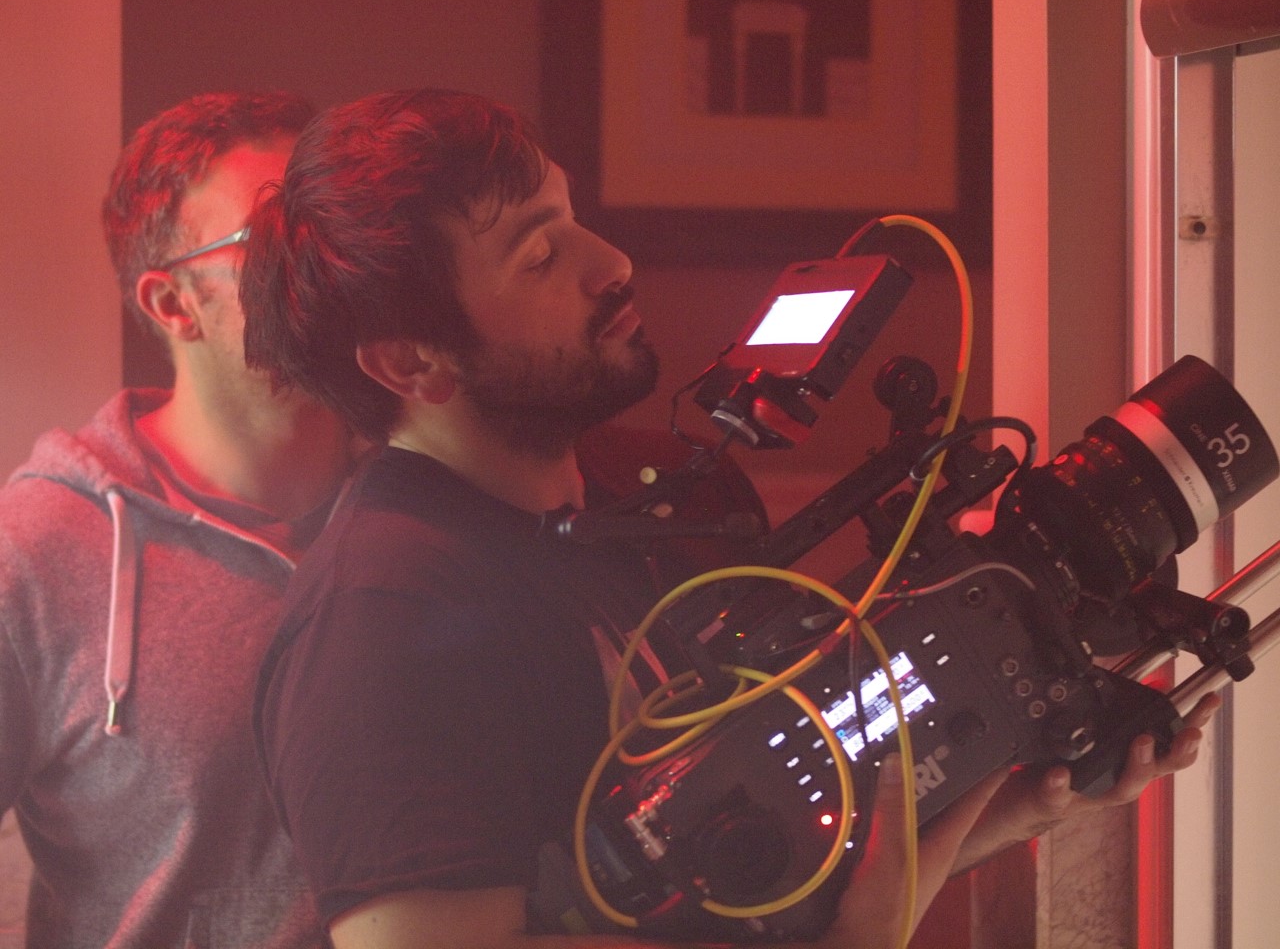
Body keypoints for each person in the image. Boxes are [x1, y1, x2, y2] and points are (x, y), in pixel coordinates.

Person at [241, 88, 1216, 949]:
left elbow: (741, 891)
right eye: (539, 255)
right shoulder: (379, 616)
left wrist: (1012, 809)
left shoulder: (622, 514)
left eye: (571, 217)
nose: (611, 262)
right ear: (410, 364)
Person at [0, 91, 356, 947]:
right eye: (278, 238)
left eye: (337, 227)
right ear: (173, 304)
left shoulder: (438, 506)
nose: (338, 264)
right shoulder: (36, 552)